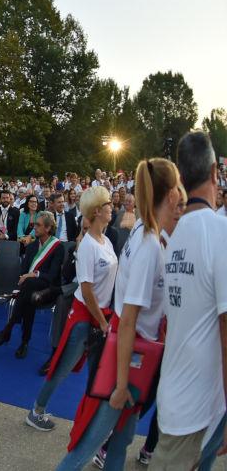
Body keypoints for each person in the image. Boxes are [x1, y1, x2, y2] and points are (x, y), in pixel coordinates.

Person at [55, 159, 181, 470]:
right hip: (130, 360)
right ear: (172, 194)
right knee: (88, 446)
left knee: (122, 440)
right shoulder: (148, 245)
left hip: (138, 358)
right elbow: (128, 321)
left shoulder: (145, 230)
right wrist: (122, 384)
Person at [152, 132, 227, 470]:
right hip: (197, 406)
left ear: (182, 177)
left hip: (176, 393)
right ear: (215, 172)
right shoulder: (219, 233)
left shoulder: (175, 234)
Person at [26, 186, 117, 432]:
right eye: (108, 203)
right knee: (63, 367)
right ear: (98, 210)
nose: (112, 207)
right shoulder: (88, 245)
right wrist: (102, 321)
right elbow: (86, 290)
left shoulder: (105, 240)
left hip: (99, 316)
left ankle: (92, 421)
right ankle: (37, 410)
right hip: (86, 317)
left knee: (96, 373)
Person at [0, 211, 64, 358]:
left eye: (38, 225)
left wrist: (34, 274)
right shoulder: (31, 247)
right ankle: (23, 342)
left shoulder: (57, 247)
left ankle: (8, 330)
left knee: (28, 286)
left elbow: (53, 276)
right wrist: (28, 277)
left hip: (48, 290)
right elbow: (23, 272)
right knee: (29, 294)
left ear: (48, 228)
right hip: (30, 290)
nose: (34, 227)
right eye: (34, 224)